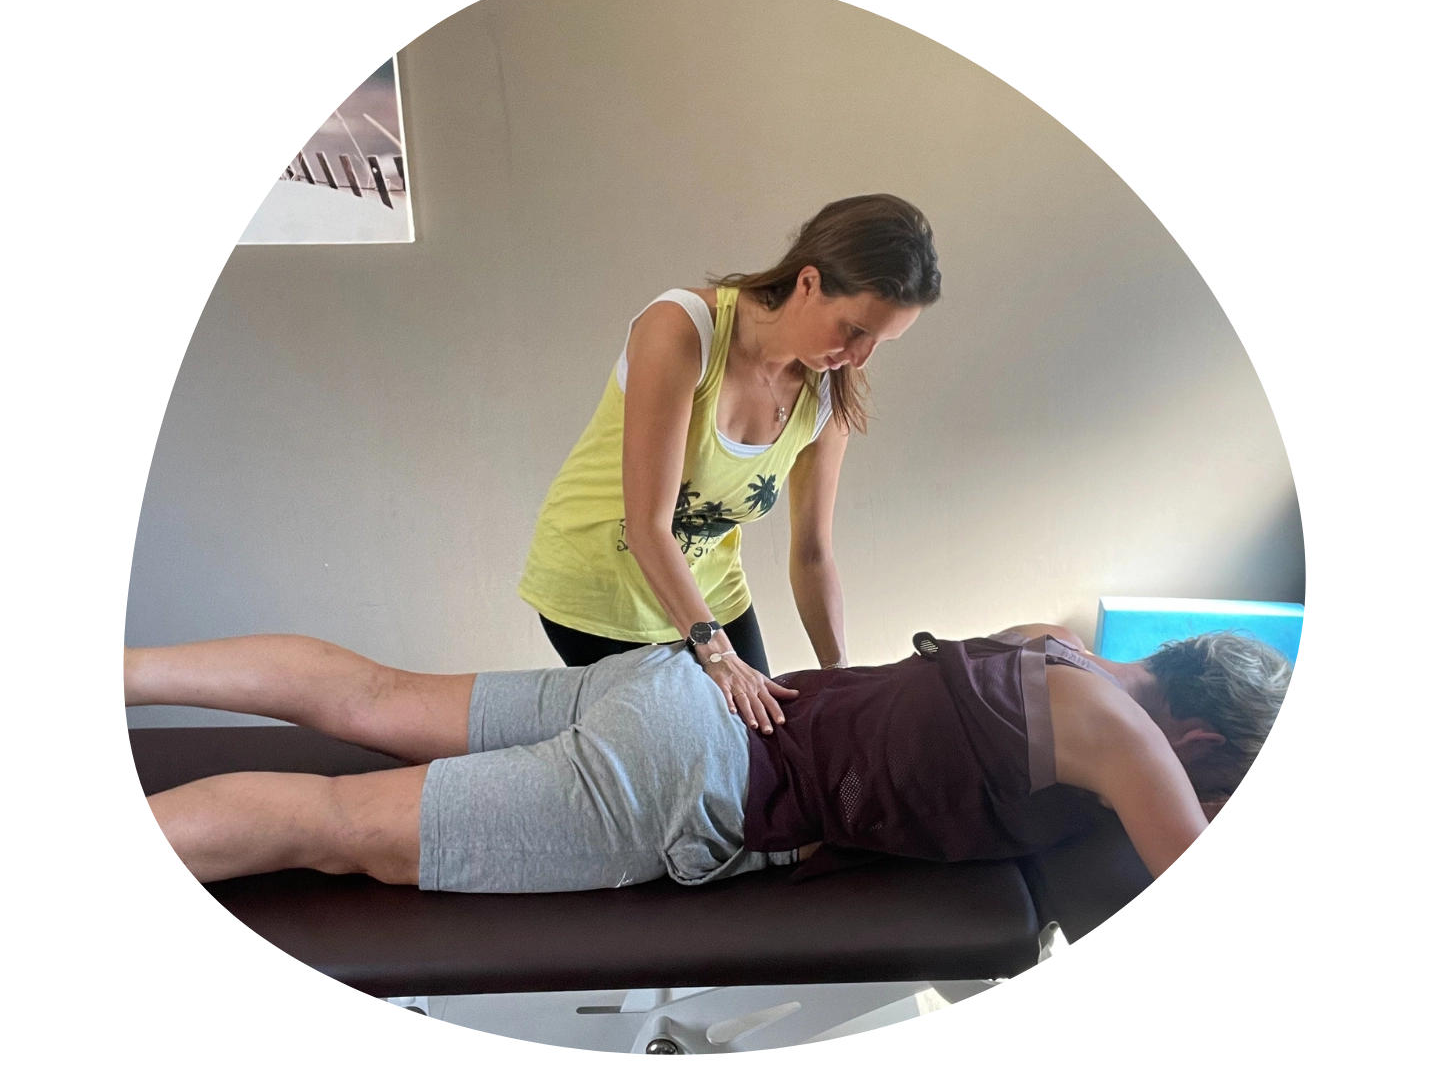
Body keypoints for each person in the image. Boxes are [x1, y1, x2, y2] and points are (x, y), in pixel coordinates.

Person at [124, 618, 1293, 891]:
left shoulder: (1056, 646)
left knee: (370, 694)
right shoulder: (1136, 747)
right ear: (1194, 737)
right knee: (329, 831)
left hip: (683, 680)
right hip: (691, 779)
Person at [517, 194, 941, 735]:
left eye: (881, 342)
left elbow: (812, 554)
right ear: (808, 283)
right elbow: (648, 525)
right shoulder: (683, 328)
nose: (860, 357)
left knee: (765, 744)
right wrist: (715, 654)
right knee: (682, 751)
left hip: (710, 585)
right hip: (598, 583)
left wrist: (839, 678)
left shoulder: (828, 393)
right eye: (855, 330)